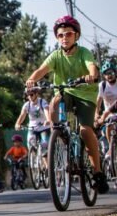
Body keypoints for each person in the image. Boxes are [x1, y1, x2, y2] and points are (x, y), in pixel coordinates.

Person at [25, 15, 108, 194]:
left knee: (86, 130)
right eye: (60, 35)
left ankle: (98, 172)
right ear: (57, 37)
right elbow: (42, 70)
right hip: (65, 92)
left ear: (76, 36)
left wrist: (91, 75)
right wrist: (32, 79)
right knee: (55, 101)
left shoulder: (84, 52)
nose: (64, 37)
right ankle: (59, 134)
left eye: (68, 34)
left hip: (85, 94)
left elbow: (92, 66)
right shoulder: (55, 56)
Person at [14, 87, 50, 152]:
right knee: (30, 143)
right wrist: (18, 124)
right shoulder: (27, 105)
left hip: (43, 127)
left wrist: (48, 120)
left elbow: (46, 111)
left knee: (44, 144)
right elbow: (22, 115)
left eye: (31, 94)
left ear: (36, 94)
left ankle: (46, 159)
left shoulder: (42, 102)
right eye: (27, 95)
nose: (29, 97)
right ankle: (33, 160)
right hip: (32, 128)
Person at [95, 59, 117, 164]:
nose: (109, 76)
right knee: (109, 125)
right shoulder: (102, 85)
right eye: (106, 74)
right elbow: (99, 101)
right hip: (109, 115)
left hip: (109, 112)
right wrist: (96, 114)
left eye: (111, 73)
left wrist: (105, 113)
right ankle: (110, 147)